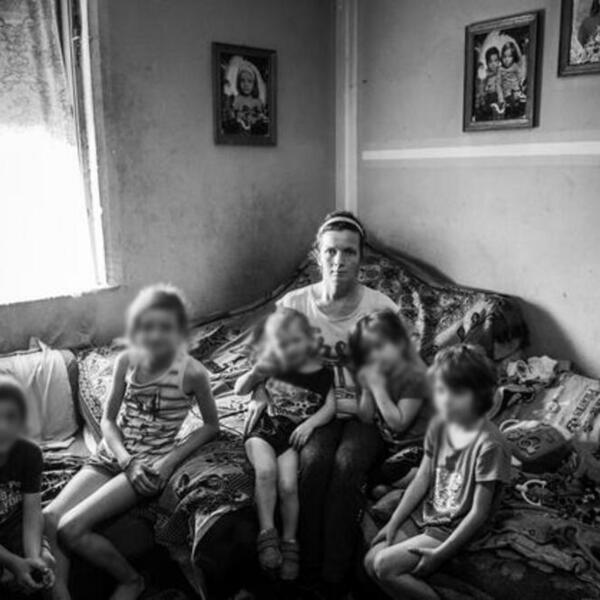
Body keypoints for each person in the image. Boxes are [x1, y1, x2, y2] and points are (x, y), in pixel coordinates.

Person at [246, 210, 398, 595]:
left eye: (349, 252)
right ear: (318, 254)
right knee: (313, 464)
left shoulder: (381, 309)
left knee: (347, 465)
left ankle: (335, 575)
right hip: (315, 411)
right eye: (331, 251)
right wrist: (261, 395)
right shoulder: (295, 304)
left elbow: (396, 374)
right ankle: (305, 565)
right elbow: (267, 360)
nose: (339, 261)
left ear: (362, 257)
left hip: (363, 412)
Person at [44, 285, 220, 600]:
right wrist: (125, 458)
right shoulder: (126, 360)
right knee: (48, 518)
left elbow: (211, 425)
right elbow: (108, 421)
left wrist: (169, 461)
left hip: (146, 465)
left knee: (70, 529)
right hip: (114, 454)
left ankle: (131, 581)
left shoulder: (193, 373)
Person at [364, 345, 511, 600]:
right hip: (430, 513)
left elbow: (478, 513)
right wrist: (393, 523)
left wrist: (440, 554)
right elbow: (422, 479)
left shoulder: (490, 445)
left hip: (453, 524)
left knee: (384, 566)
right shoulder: (439, 426)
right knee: (370, 560)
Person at [236, 308, 335, 581]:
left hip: (291, 437)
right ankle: (267, 534)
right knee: (266, 471)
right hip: (264, 430)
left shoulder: (324, 374)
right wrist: (256, 374)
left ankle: (290, 542)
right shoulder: (272, 364)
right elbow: (239, 389)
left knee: (289, 486)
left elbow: (330, 408)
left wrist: (309, 424)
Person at [351, 309, 430, 482]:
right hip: (391, 446)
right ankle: (389, 485)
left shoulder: (414, 375)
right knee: (357, 467)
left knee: (380, 478)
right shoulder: (379, 371)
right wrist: (367, 390)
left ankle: (415, 477)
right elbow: (366, 417)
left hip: (419, 446)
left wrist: (378, 388)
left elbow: (399, 424)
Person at [0, 377, 55, 598]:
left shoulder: (30, 453)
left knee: (45, 565)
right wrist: (12, 562)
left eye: (11, 417)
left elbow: (32, 511)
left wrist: (33, 559)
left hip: (14, 525)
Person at [476, 47, 504, 121]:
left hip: (498, 97)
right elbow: (481, 89)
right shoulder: (485, 74)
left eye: (495, 60)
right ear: (487, 63)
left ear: (499, 61)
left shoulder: (500, 72)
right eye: (490, 61)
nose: (493, 64)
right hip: (487, 98)